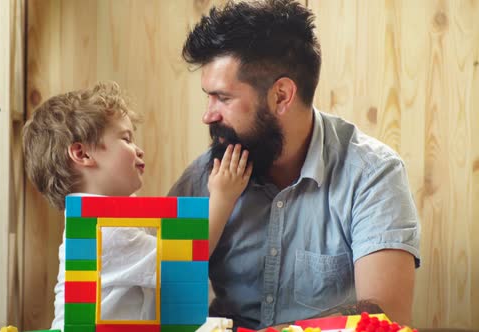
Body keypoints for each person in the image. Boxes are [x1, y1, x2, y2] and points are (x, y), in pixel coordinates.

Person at [168, 0, 420, 330]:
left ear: (281, 96)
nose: (208, 115)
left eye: (223, 98)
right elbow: (160, 293)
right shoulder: (203, 179)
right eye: (208, 96)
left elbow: (385, 315)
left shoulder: (372, 174)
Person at [22, 81, 251, 330]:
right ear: (82, 154)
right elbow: (186, 261)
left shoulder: (111, 218)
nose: (139, 150)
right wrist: (222, 197)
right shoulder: (104, 230)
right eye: (126, 139)